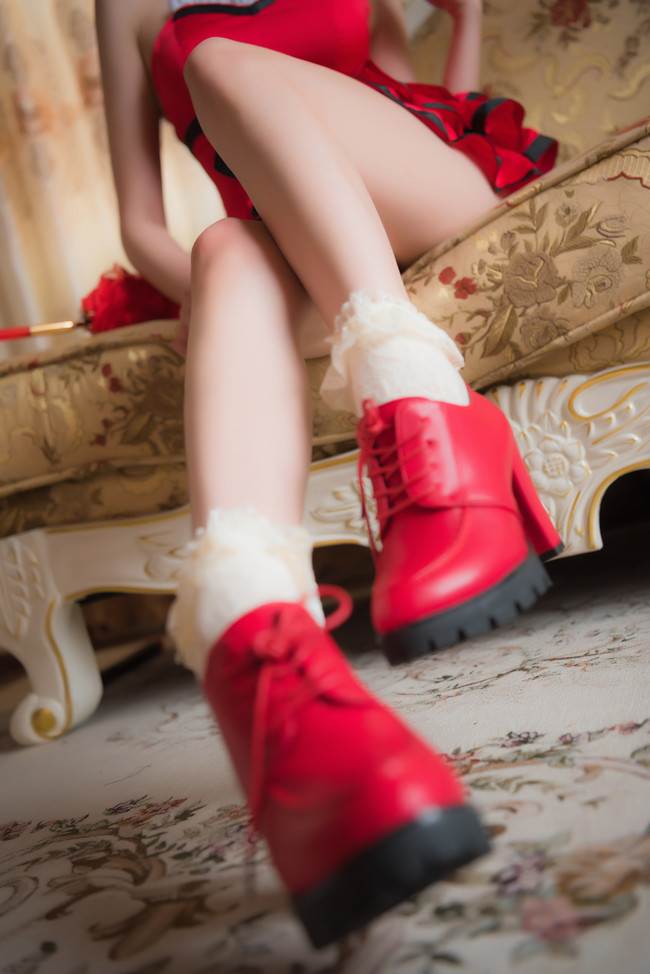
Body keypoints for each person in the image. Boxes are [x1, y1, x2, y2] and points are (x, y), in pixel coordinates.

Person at [96, 0, 562, 948]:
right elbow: (142, 223)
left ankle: (412, 391)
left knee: (221, 61)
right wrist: (206, 295)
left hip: (416, 177)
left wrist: (466, 21)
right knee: (221, 248)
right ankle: (268, 679)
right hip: (285, 234)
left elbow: (408, 93)